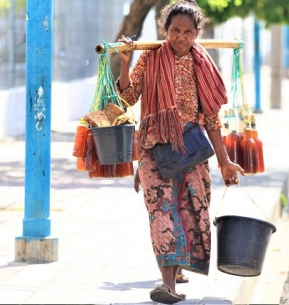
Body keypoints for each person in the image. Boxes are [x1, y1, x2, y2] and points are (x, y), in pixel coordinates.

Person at [117, 0, 244, 303]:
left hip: (193, 152)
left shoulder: (203, 65)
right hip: (153, 152)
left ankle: (176, 274)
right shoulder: (149, 59)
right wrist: (124, 62)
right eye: (175, 30)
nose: (181, 37)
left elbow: (212, 118)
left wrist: (225, 161)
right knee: (161, 213)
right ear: (165, 29)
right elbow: (129, 97)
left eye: (188, 31)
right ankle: (168, 287)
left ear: (198, 33)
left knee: (189, 213)